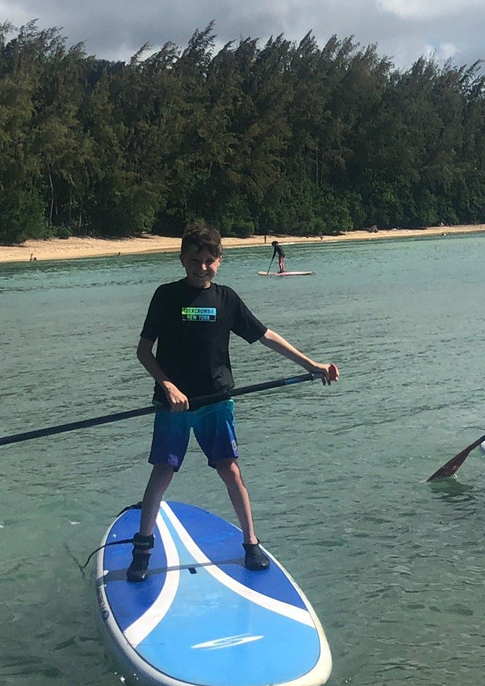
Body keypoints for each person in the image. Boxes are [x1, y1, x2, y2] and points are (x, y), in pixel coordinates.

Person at [128, 225, 338, 582]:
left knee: (230, 470)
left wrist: (311, 364)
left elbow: (265, 335)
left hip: (216, 400)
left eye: (210, 261)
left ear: (220, 262)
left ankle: (251, 544)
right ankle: (143, 547)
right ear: (182, 259)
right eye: (195, 260)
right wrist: (167, 386)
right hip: (173, 404)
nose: (202, 267)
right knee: (163, 471)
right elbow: (143, 351)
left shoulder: (226, 299)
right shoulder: (165, 296)